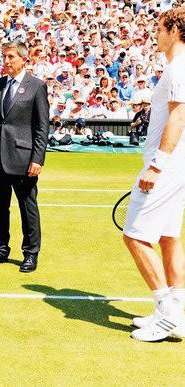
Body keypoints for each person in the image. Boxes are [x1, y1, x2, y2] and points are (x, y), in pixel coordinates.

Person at [122, 7, 185, 342]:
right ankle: (177, 310)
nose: (156, 35)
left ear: (174, 30)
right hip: (177, 168)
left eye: (160, 28)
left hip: (167, 168)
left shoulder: (179, 68)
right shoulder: (177, 67)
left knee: (134, 236)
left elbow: (177, 119)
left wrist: (157, 164)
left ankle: (167, 314)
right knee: (168, 236)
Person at [0, 41, 49, 273]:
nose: (5, 61)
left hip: (24, 159)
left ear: (23, 59)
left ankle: (30, 253)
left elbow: (41, 126)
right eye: (4, 57)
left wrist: (37, 159)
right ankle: (0, 249)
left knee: (28, 208)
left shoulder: (36, 86)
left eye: (10, 57)